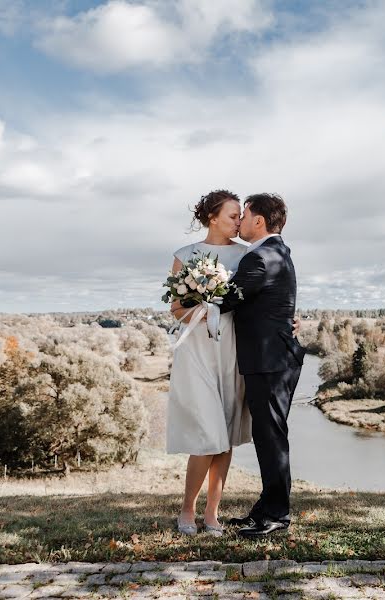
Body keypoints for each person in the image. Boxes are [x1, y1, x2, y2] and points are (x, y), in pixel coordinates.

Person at [220, 192, 306, 538]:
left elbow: (226, 300)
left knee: (271, 438)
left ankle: (276, 516)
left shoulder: (260, 258)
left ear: (259, 221)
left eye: (245, 215)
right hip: (274, 358)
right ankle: (264, 509)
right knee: (267, 435)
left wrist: (195, 288)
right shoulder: (275, 253)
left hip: (270, 361)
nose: (239, 221)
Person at [166, 190, 251, 537]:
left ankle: (212, 513)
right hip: (197, 351)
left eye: (240, 215)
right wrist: (202, 311)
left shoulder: (248, 256)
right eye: (233, 215)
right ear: (212, 217)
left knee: (226, 434)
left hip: (232, 350)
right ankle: (187, 510)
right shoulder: (185, 256)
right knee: (207, 433)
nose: (239, 221)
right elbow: (175, 310)